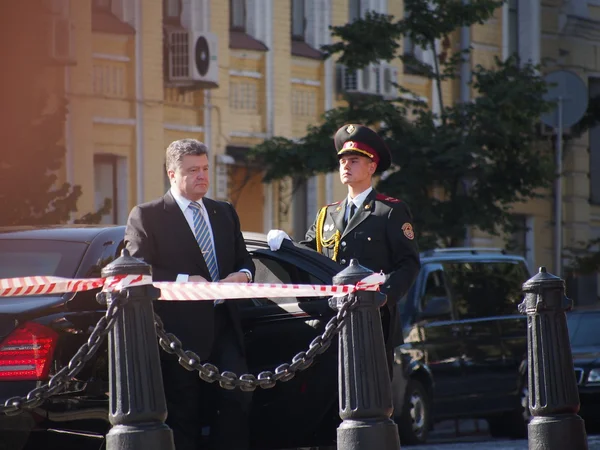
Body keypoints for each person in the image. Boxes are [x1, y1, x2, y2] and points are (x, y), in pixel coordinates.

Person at [124, 138, 255, 450]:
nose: (202, 176)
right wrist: (184, 279)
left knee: (237, 399)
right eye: (193, 170)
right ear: (172, 173)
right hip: (177, 334)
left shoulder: (223, 212)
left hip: (224, 327)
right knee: (185, 413)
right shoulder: (148, 215)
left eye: (206, 168)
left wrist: (243, 274)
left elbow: (244, 259)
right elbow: (136, 268)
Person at [268, 124, 421, 379]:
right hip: (332, 322)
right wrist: (286, 245)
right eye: (342, 161)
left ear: (372, 167)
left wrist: (382, 298)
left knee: (373, 398)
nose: (346, 166)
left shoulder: (389, 211)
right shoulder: (327, 214)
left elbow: (409, 264)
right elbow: (308, 256)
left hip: (374, 320)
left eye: (354, 160)